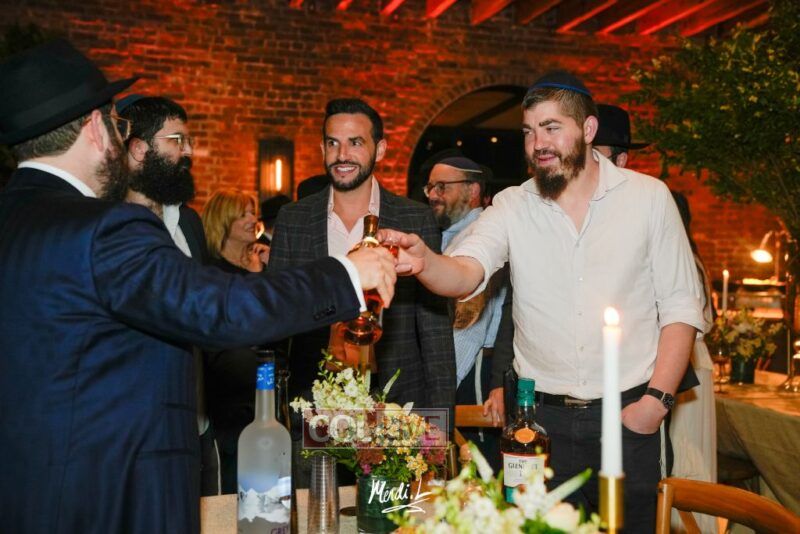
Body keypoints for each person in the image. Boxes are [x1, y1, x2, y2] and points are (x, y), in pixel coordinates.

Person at [0, 39, 397, 533]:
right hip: (109, 496)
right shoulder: (104, 227)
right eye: (118, 125)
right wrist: (348, 273)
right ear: (95, 129)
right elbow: (221, 309)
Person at [383, 71, 703, 533]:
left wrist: (655, 401)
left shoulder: (648, 198)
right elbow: (467, 271)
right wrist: (425, 262)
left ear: (588, 129)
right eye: (530, 132)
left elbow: (681, 306)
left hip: (628, 416)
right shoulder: (513, 204)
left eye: (552, 128)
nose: (538, 144)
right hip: (537, 424)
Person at [269, 98, 456, 485]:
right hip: (316, 408)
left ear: (379, 149)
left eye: (355, 142)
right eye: (333, 143)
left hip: (396, 407)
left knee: (391, 513)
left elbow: (435, 329)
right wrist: (274, 413)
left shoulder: (414, 218)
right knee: (318, 511)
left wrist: (440, 426)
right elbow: (275, 317)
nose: (342, 154)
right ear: (322, 148)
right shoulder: (294, 218)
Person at [116, 94, 220, 495]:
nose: (188, 151)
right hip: (136, 436)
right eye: (177, 140)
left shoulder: (188, 221)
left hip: (196, 425)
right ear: (138, 149)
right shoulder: (105, 225)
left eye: (188, 140)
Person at [425, 155, 506, 470]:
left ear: (473, 190)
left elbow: (468, 323)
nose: (433, 195)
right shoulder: (445, 234)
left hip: (473, 373)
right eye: (430, 187)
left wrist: (439, 389)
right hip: (455, 370)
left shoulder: (481, 235)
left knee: (475, 475)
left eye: (442, 187)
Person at [669, 191, 716, 534]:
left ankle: (688, 525)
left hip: (687, 364)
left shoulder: (682, 260)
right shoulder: (690, 256)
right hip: (693, 363)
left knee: (685, 450)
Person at [203, 188, 269, 272]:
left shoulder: (264, 256)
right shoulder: (212, 268)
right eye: (242, 215)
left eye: (252, 213)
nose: (254, 220)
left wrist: (275, 263)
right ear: (221, 222)